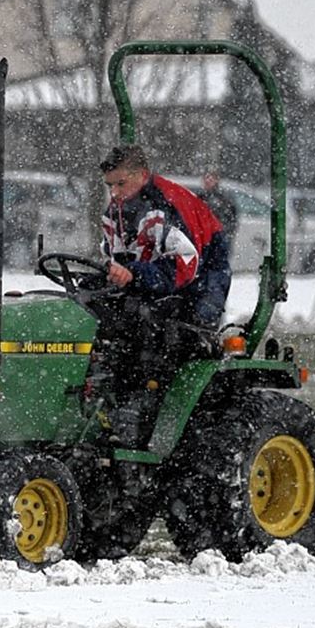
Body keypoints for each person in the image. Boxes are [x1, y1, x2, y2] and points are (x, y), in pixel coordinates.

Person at [94, 144, 232, 446]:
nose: (114, 193)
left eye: (121, 184)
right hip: (155, 281)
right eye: (109, 186)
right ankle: (101, 401)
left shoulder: (168, 205)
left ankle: (141, 411)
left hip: (200, 285)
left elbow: (185, 264)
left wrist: (135, 275)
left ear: (142, 176)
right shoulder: (115, 211)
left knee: (152, 328)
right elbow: (116, 255)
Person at [197, 171, 238, 247]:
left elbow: (231, 219)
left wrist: (224, 233)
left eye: (210, 179)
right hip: (204, 238)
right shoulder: (199, 197)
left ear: (216, 180)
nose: (207, 181)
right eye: (206, 178)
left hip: (218, 237)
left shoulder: (223, 199)